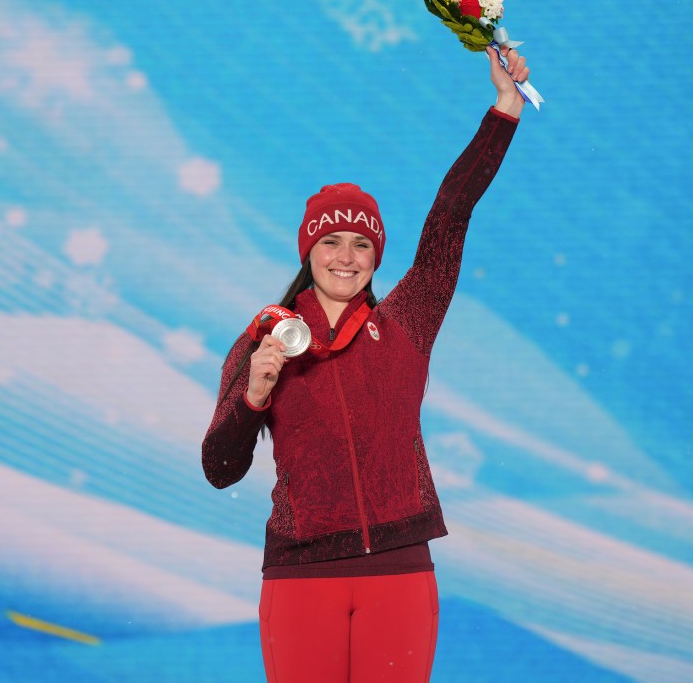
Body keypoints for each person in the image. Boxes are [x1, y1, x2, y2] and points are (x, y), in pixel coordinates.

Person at [202, 45, 529, 683]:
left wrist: (504, 109)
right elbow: (219, 468)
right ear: (309, 249)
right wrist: (254, 397)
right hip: (301, 575)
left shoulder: (407, 322)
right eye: (330, 242)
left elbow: (449, 218)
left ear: (377, 255)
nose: (345, 257)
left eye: (361, 243)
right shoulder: (265, 339)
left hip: (399, 573)